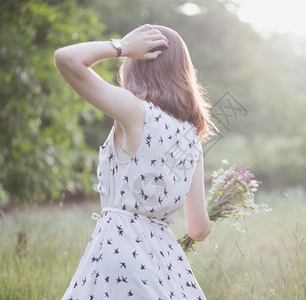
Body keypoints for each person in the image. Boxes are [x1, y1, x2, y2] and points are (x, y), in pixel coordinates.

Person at [54, 24, 216, 300]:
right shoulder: (191, 137)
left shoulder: (135, 111)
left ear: (136, 66)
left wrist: (120, 46)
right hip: (165, 266)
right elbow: (198, 228)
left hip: (120, 258)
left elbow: (66, 59)